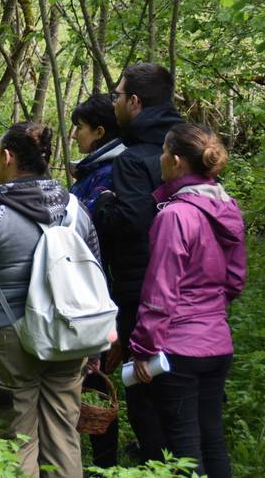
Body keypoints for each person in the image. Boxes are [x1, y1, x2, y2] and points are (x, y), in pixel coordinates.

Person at [0, 122, 99, 477]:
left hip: (8, 339)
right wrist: (95, 347)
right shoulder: (77, 209)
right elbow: (94, 278)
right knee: (63, 441)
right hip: (68, 336)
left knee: (13, 444)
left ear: (8, 157)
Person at [130, 123, 246, 478]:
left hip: (178, 349)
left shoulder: (175, 215)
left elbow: (160, 292)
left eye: (164, 153)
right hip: (217, 344)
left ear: (177, 161)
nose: (161, 159)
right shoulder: (228, 207)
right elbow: (235, 280)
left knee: (183, 447)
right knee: (212, 441)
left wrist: (143, 347)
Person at [91, 62, 183, 463]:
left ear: (135, 101)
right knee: (183, 401)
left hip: (141, 292)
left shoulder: (131, 160)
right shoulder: (188, 148)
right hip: (192, 296)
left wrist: (104, 205)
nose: (114, 104)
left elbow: (131, 225)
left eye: (117, 96)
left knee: (145, 394)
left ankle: (153, 462)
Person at [67, 94, 124, 468]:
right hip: (89, 291)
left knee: (95, 379)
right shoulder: (93, 170)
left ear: (99, 132)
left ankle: (104, 465)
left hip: (98, 293)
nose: (74, 135)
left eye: (81, 128)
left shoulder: (109, 174)